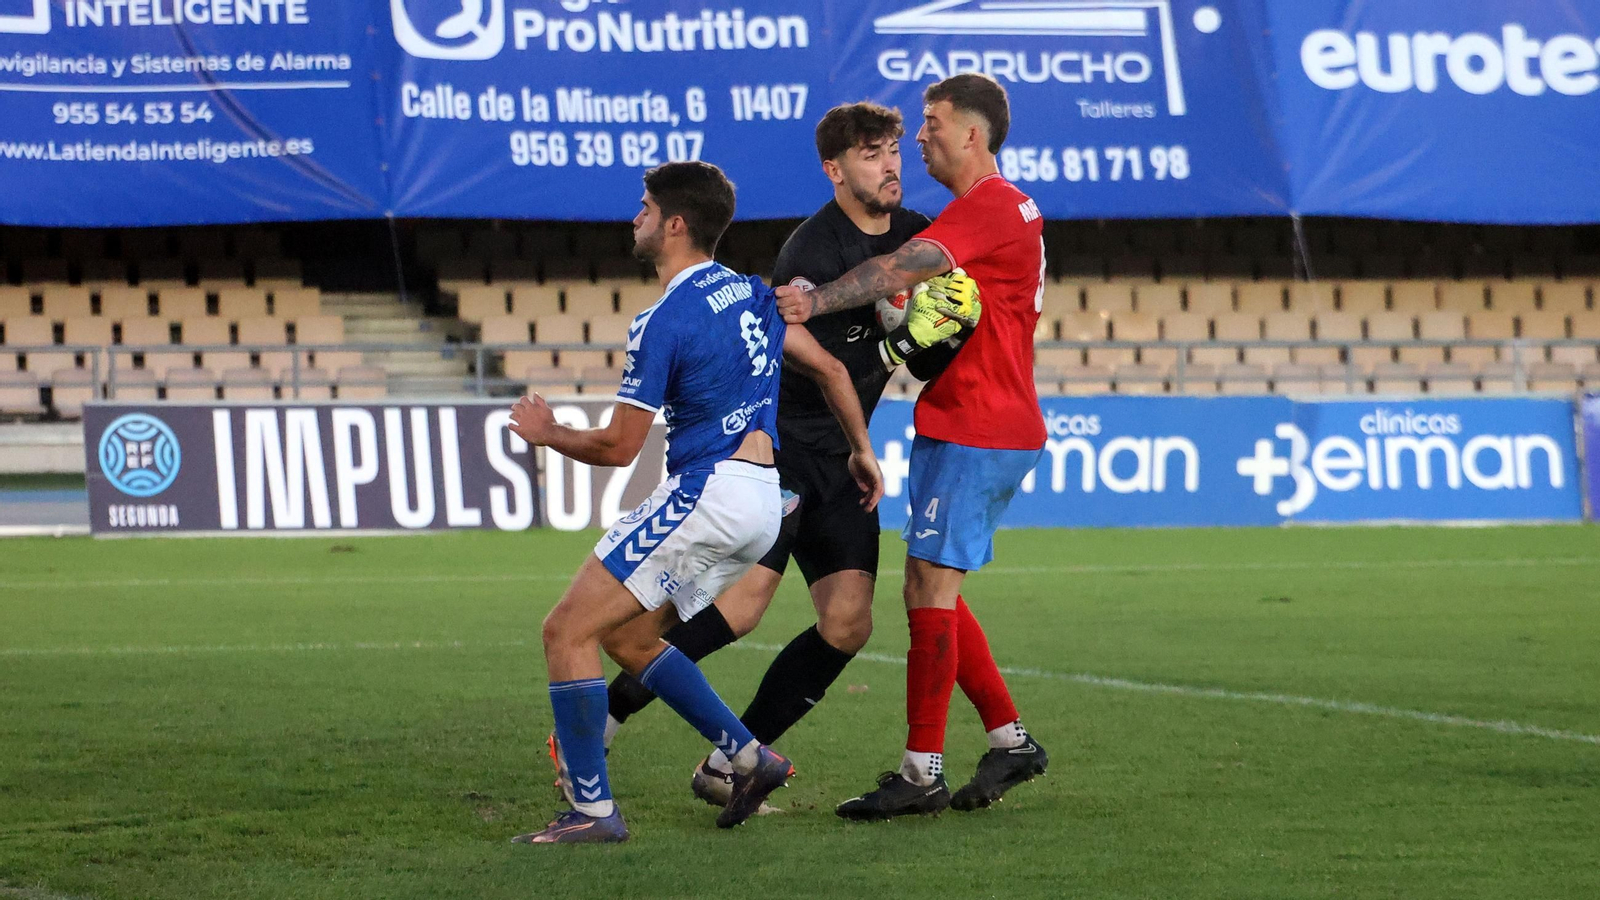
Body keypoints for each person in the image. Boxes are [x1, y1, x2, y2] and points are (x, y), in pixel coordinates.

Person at [566, 102, 979, 810]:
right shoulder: (809, 252)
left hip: (842, 457)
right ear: (835, 169)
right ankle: (611, 712)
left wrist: (907, 374)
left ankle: (734, 761)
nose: (889, 165)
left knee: (848, 624)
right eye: (872, 154)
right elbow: (820, 359)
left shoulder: (921, 238)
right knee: (743, 606)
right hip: (779, 451)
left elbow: (927, 328)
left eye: (893, 152)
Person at [509, 160, 884, 843]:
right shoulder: (754, 294)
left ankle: (592, 812)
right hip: (762, 499)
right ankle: (750, 757)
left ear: (675, 224)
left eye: (645, 207)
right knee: (627, 636)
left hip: (707, 490)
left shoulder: (665, 319)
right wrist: (861, 446)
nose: (636, 217)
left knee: (565, 631)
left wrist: (548, 432)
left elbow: (621, 447)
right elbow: (829, 366)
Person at [776, 73, 1050, 820]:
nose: (919, 137)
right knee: (930, 591)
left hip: (981, 425)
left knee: (930, 591)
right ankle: (1009, 739)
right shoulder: (995, 209)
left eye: (931, 123)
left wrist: (816, 299)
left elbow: (903, 267)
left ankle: (921, 771)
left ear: (972, 134)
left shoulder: (989, 207)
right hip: (968, 417)